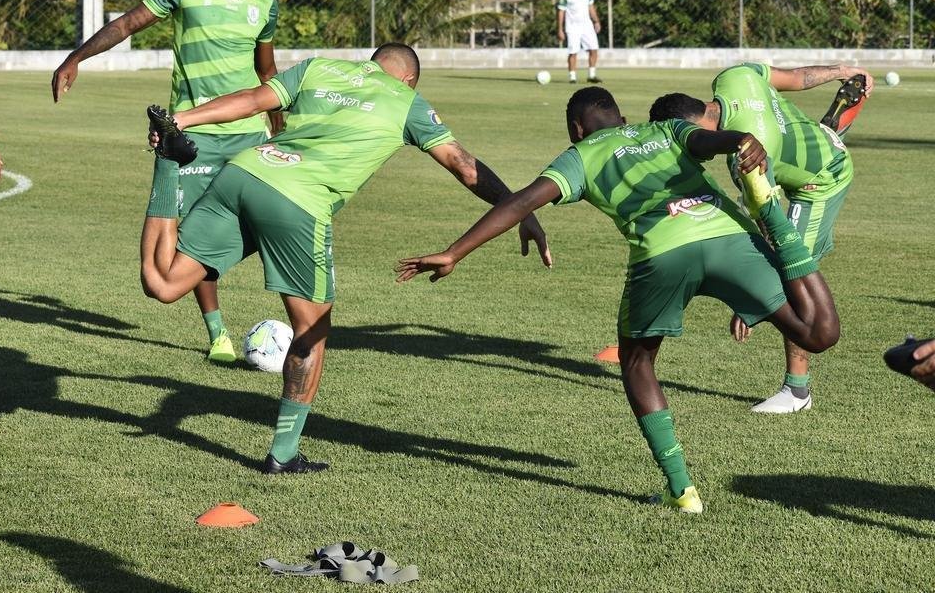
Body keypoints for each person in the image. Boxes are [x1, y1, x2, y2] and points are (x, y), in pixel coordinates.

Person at [396, 87, 840, 513]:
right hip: (728, 236)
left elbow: (520, 202)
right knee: (818, 334)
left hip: (663, 254)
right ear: (623, 119)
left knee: (636, 361)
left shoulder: (580, 156)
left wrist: (455, 251)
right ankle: (775, 216)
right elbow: (708, 139)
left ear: (575, 129)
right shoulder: (664, 129)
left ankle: (682, 490)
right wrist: (741, 140)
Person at [140, 43, 551, 474]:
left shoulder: (319, 69)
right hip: (298, 203)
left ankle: (168, 164)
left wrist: (181, 121)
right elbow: (466, 167)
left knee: (164, 283)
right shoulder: (407, 101)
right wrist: (518, 208)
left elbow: (252, 99)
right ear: (409, 79)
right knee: (311, 331)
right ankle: (283, 455)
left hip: (244, 173)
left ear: (372, 63)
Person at [52, 0, 281, 364]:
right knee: (184, 244)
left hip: (247, 137)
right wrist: (76, 58)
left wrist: (281, 129)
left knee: (259, 224)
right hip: (191, 138)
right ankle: (218, 335)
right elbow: (127, 25)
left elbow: (267, 73)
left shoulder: (266, 2)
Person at [649, 61, 873, 414]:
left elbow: (774, 231)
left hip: (822, 181)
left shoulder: (745, 159)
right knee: (802, 143)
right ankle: (829, 130)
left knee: (792, 276)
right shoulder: (733, 77)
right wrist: (842, 69)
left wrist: (755, 297)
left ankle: (798, 392)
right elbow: (797, 78)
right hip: (804, 139)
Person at [556, 0, 602, 84]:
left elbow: (590, 7)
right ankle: (572, 77)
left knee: (594, 49)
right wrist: (560, 29)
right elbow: (561, 11)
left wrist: (596, 21)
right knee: (573, 52)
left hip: (587, 25)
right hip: (572, 27)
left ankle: (591, 75)